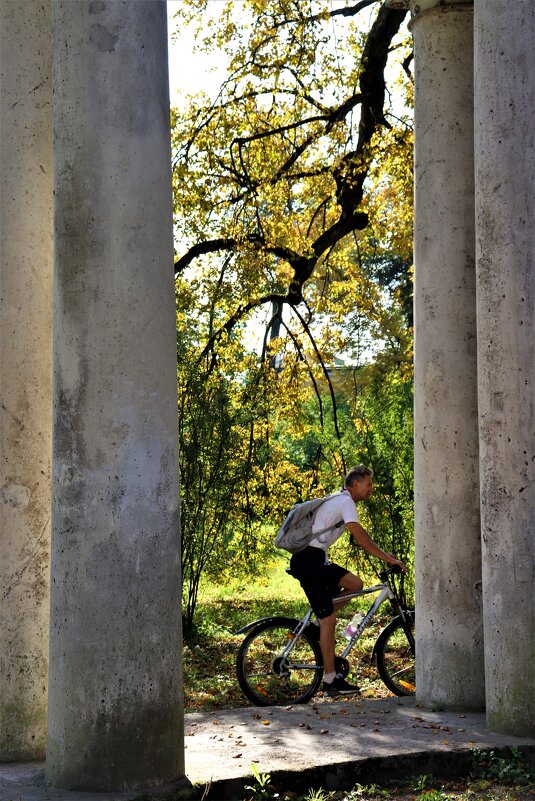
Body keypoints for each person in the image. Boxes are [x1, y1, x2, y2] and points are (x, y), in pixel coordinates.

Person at [289, 465, 406, 695]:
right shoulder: (346, 502)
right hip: (309, 560)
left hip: (316, 559)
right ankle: (330, 681)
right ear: (354, 483)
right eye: (368, 484)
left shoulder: (341, 499)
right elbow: (361, 538)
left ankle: (318, 624)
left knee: (355, 584)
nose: (371, 488)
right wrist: (389, 558)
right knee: (330, 621)